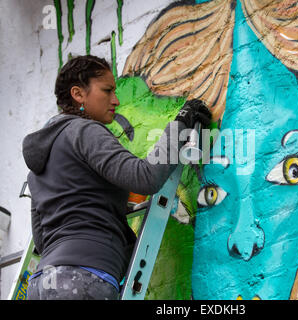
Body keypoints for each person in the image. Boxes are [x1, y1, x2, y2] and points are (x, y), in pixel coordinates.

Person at [23, 55, 211, 300]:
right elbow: (145, 178)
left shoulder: (38, 162)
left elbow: (41, 238)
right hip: (84, 280)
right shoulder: (84, 131)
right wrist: (182, 122)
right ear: (78, 94)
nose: (116, 100)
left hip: (40, 285)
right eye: (107, 91)